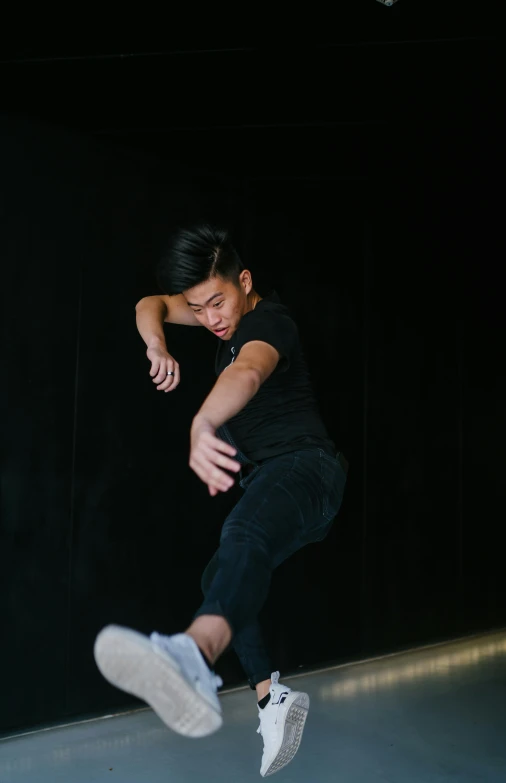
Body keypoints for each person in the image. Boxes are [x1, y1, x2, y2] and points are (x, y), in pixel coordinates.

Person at [94, 223, 347, 777]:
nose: (211, 318)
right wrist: (157, 344)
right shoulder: (215, 313)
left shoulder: (267, 322)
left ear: (245, 282)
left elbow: (249, 371)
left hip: (307, 469)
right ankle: (271, 699)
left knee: (241, 538)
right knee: (222, 575)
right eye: (198, 308)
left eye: (218, 301)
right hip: (278, 482)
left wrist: (204, 419)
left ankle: (190, 654)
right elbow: (149, 304)